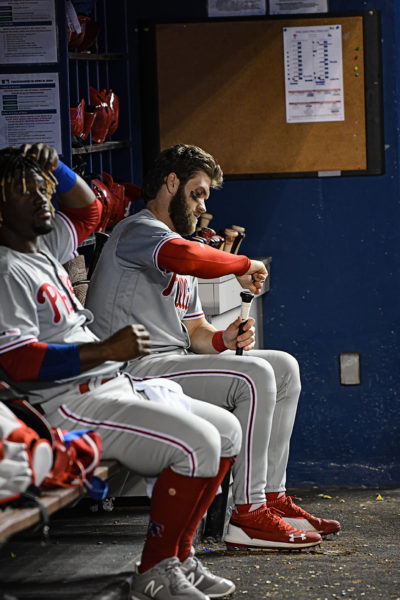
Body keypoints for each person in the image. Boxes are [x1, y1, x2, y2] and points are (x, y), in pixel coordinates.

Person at [0, 143, 243, 600]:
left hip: (109, 384)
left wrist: (58, 166)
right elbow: (17, 362)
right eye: (25, 192)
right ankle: (154, 570)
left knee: (226, 430)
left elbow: (90, 213)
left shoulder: (41, 246)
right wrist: (106, 350)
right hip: (65, 406)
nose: (42, 200)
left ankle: (179, 556)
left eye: (43, 190)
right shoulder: (5, 267)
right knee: (199, 444)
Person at [86, 143, 341, 551]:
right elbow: (186, 257)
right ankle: (247, 513)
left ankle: (272, 497)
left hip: (168, 364)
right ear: (171, 183)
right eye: (198, 192)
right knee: (254, 376)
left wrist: (227, 339)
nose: (203, 204)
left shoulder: (173, 240)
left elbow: (198, 332)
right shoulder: (137, 231)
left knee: (283, 367)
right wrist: (244, 264)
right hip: (128, 370)